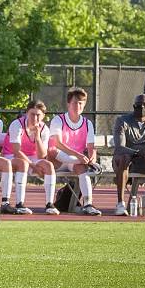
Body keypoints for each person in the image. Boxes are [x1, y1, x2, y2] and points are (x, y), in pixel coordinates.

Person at [48, 87, 102, 216]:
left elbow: (91, 147)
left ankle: (88, 204)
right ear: (68, 104)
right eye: (74, 103)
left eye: (80, 103)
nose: (77, 106)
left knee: (81, 167)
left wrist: (92, 159)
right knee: (56, 153)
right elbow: (57, 144)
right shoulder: (58, 120)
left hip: (75, 162)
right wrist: (80, 156)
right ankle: (49, 205)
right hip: (58, 159)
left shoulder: (87, 123)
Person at [1, 100, 59, 215]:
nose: (35, 118)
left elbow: (42, 155)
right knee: (23, 164)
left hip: (32, 158)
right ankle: (19, 204)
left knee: (49, 166)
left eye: (38, 115)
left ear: (43, 116)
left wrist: (37, 137)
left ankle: (49, 204)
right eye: (32, 114)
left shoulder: (44, 129)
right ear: (27, 113)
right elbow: (17, 151)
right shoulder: (17, 125)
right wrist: (34, 166)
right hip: (11, 156)